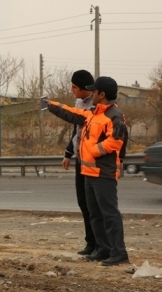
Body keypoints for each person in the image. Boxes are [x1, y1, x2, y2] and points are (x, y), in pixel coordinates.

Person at [43, 76, 129, 266]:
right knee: (95, 214)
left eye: (94, 91)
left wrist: (93, 151)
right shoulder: (93, 113)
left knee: (109, 213)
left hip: (103, 173)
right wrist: (51, 105)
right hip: (88, 173)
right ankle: (103, 249)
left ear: (102, 94)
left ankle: (119, 252)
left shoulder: (114, 115)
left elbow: (116, 142)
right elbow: (72, 113)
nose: (92, 93)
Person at [63, 70, 96, 256]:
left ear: (85, 89)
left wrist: (52, 107)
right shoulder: (78, 102)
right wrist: (68, 152)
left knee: (94, 205)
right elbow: (76, 130)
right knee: (83, 203)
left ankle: (100, 244)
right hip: (79, 158)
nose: (72, 90)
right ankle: (90, 243)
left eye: (74, 87)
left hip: (92, 159)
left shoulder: (96, 104)